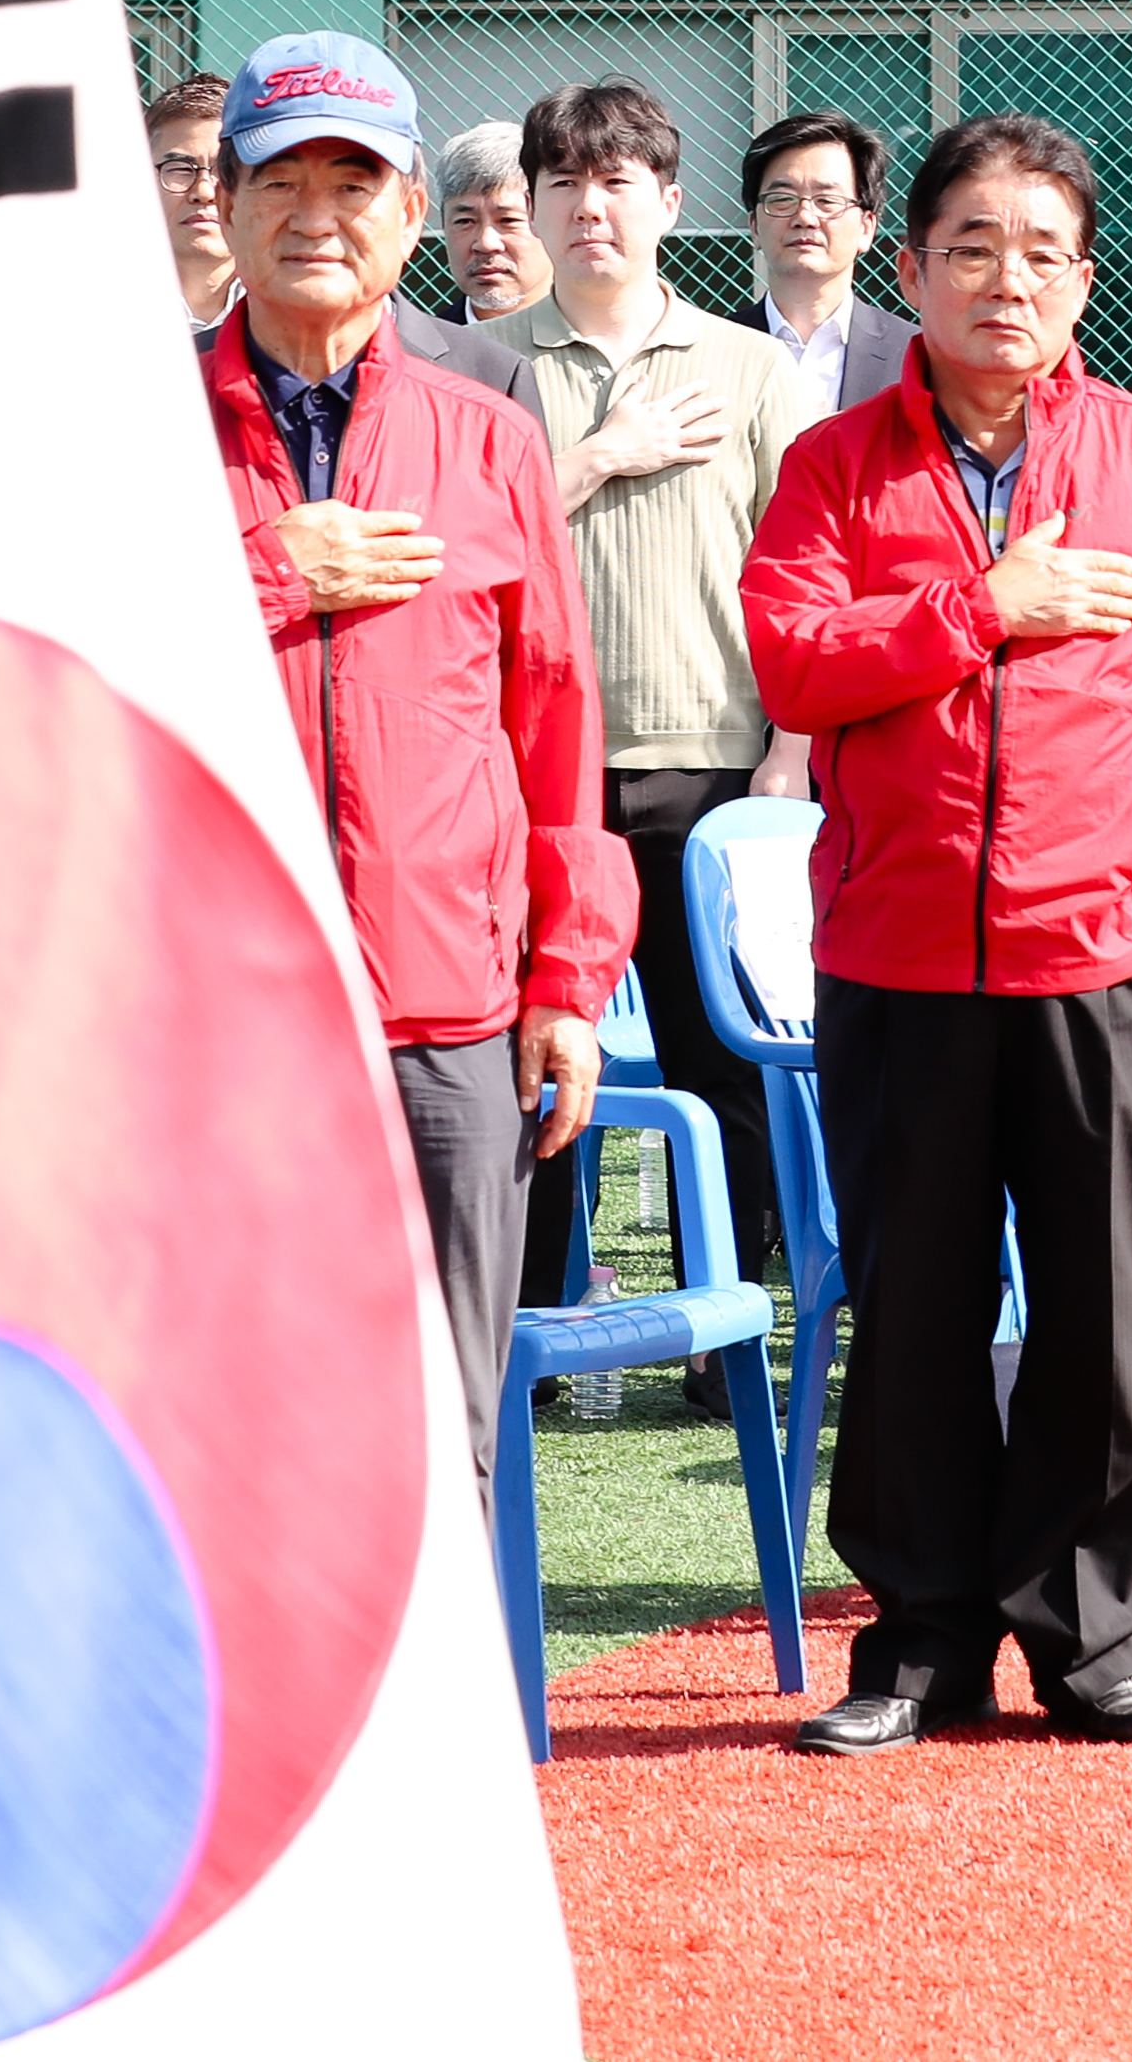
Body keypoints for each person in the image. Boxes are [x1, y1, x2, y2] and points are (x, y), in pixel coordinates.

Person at [746, 115, 1132, 1750]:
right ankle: (916, 1639)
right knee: (909, 1300)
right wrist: (981, 604)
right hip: (896, 952)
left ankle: (1092, 1635)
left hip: (1102, 946)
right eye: (970, 244)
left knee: (1100, 1307)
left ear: (1084, 285)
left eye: (1042, 250)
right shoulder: (835, 466)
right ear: (907, 272)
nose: (1005, 278)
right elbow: (795, 662)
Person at [196, 35, 628, 1552]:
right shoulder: (132, 441)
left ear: (402, 217)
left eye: (355, 180)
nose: (319, 211)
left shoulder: (491, 436)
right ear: (227, 204)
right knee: (222, 1413)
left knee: (444, 1427)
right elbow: (58, 681)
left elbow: (557, 725)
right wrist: (259, 572)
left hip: (448, 1003)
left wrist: (565, 979)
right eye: (283, 177)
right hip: (206, 1008)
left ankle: (438, 1775)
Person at [487, 77, 805, 1357]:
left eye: (616, 179)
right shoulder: (484, 360)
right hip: (530, 776)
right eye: (562, 180)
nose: (588, 206)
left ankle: (723, 1334)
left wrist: (793, 744)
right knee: (528, 1052)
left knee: (712, 1067)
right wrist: (604, 451)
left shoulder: (752, 366)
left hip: (718, 765)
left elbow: (808, 565)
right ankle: (536, 1325)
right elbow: (472, 544)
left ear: (669, 201)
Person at [744, 111, 916, 421]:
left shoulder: (916, 354)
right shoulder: (713, 350)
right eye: (782, 199)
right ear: (755, 226)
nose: (805, 218)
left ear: (867, 228)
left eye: (827, 201)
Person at [145, 73, 239, 328]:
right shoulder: (91, 304)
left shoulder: (291, 303)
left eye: (223, 170)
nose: (204, 192)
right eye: (179, 169)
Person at [440, 120, 550, 323]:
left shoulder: (604, 338)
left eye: (508, 220)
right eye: (465, 221)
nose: (486, 243)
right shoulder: (416, 350)